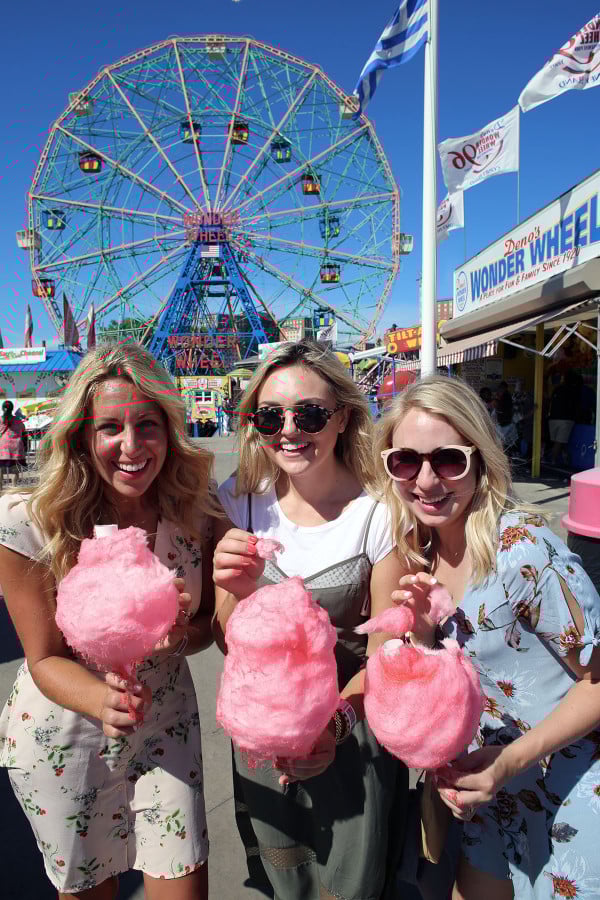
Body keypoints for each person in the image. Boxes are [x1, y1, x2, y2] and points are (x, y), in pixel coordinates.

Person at [0, 343, 219, 900]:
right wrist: (103, 701)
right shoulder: (32, 525)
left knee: (184, 884)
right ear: (81, 435)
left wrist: (178, 630)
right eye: (110, 428)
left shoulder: (195, 510)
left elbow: (205, 628)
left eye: (148, 425)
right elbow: (43, 656)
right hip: (67, 734)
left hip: (166, 726)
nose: (131, 445)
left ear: (170, 431)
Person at [375, 374, 600, 900]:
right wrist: (424, 632)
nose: (427, 481)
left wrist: (511, 759)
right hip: (484, 794)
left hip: (565, 795)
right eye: (405, 461)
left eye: (449, 460)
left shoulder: (524, 551)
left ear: (480, 459)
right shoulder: (421, 553)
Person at [213, 340, 408, 900]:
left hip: (351, 730)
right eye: (271, 416)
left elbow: (389, 653)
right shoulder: (241, 501)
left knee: (349, 883)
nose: (290, 430)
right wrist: (236, 588)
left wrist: (333, 729)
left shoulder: (377, 511)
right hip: (262, 735)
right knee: (285, 875)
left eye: (311, 414)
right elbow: (231, 638)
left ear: (343, 416)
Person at [548, 372, 578, 466]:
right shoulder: (573, 391)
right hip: (565, 420)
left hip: (552, 419)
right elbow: (575, 406)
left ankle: (563, 457)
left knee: (558, 442)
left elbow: (551, 403)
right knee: (560, 442)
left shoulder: (556, 389)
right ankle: (552, 460)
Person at [0, 399, 28, 490]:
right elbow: (23, 431)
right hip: (16, 447)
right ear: (12, 409)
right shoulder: (17, 420)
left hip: (3, 447)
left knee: (0, 468)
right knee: (15, 469)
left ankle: (0, 489)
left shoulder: (0, 419)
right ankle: (14, 488)